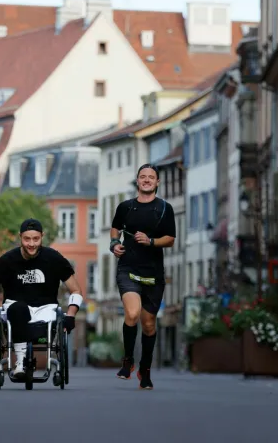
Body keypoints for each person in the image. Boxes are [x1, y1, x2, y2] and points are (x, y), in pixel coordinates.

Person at [0, 218, 83, 379]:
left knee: (35, 313)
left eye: (36, 239)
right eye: (27, 239)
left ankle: (32, 361)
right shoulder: (8, 260)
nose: (31, 244)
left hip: (45, 313)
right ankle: (20, 363)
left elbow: (76, 290)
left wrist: (70, 315)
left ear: (42, 236)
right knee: (18, 308)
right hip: (15, 312)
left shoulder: (53, 258)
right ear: (20, 237)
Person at [110, 163, 176, 390]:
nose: (147, 180)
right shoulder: (125, 207)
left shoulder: (165, 208)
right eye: (142, 177)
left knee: (148, 325)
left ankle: (145, 370)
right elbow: (115, 228)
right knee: (132, 312)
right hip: (128, 268)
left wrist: (151, 241)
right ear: (137, 181)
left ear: (157, 182)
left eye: (151, 177)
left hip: (153, 274)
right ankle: (127, 360)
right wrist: (114, 244)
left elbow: (170, 239)